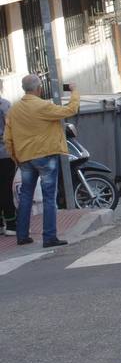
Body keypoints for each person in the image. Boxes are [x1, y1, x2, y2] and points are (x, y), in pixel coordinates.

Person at [5, 75, 79, 248]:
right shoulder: (43, 106)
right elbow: (70, 110)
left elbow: (7, 138)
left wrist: (15, 156)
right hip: (46, 156)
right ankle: (49, 237)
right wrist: (74, 92)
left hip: (25, 158)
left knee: (25, 197)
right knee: (48, 197)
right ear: (38, 88)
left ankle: (22, 235)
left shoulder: (14, 110)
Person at [0, 95, 14, 236]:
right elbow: (11, 128)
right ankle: (11, 224)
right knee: (6, 190)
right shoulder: (5, 105)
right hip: (4, 153)